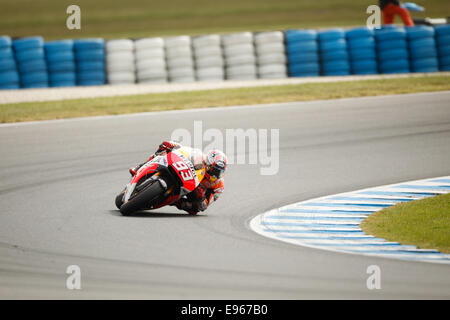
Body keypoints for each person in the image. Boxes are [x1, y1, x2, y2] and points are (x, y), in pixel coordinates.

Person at [129, 141, 226, 215]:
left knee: (194, 209)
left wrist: (201, 197)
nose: (215, 175)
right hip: (185, 173)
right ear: (208, 163)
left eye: (219, 172)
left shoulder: (218, 186)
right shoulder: (199, 157)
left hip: (193, 192)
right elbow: (185, 151)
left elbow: (204, 206)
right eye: (214, 170)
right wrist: (174, 147)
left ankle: (174, 201)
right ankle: (141, 166)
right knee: (167, 145)